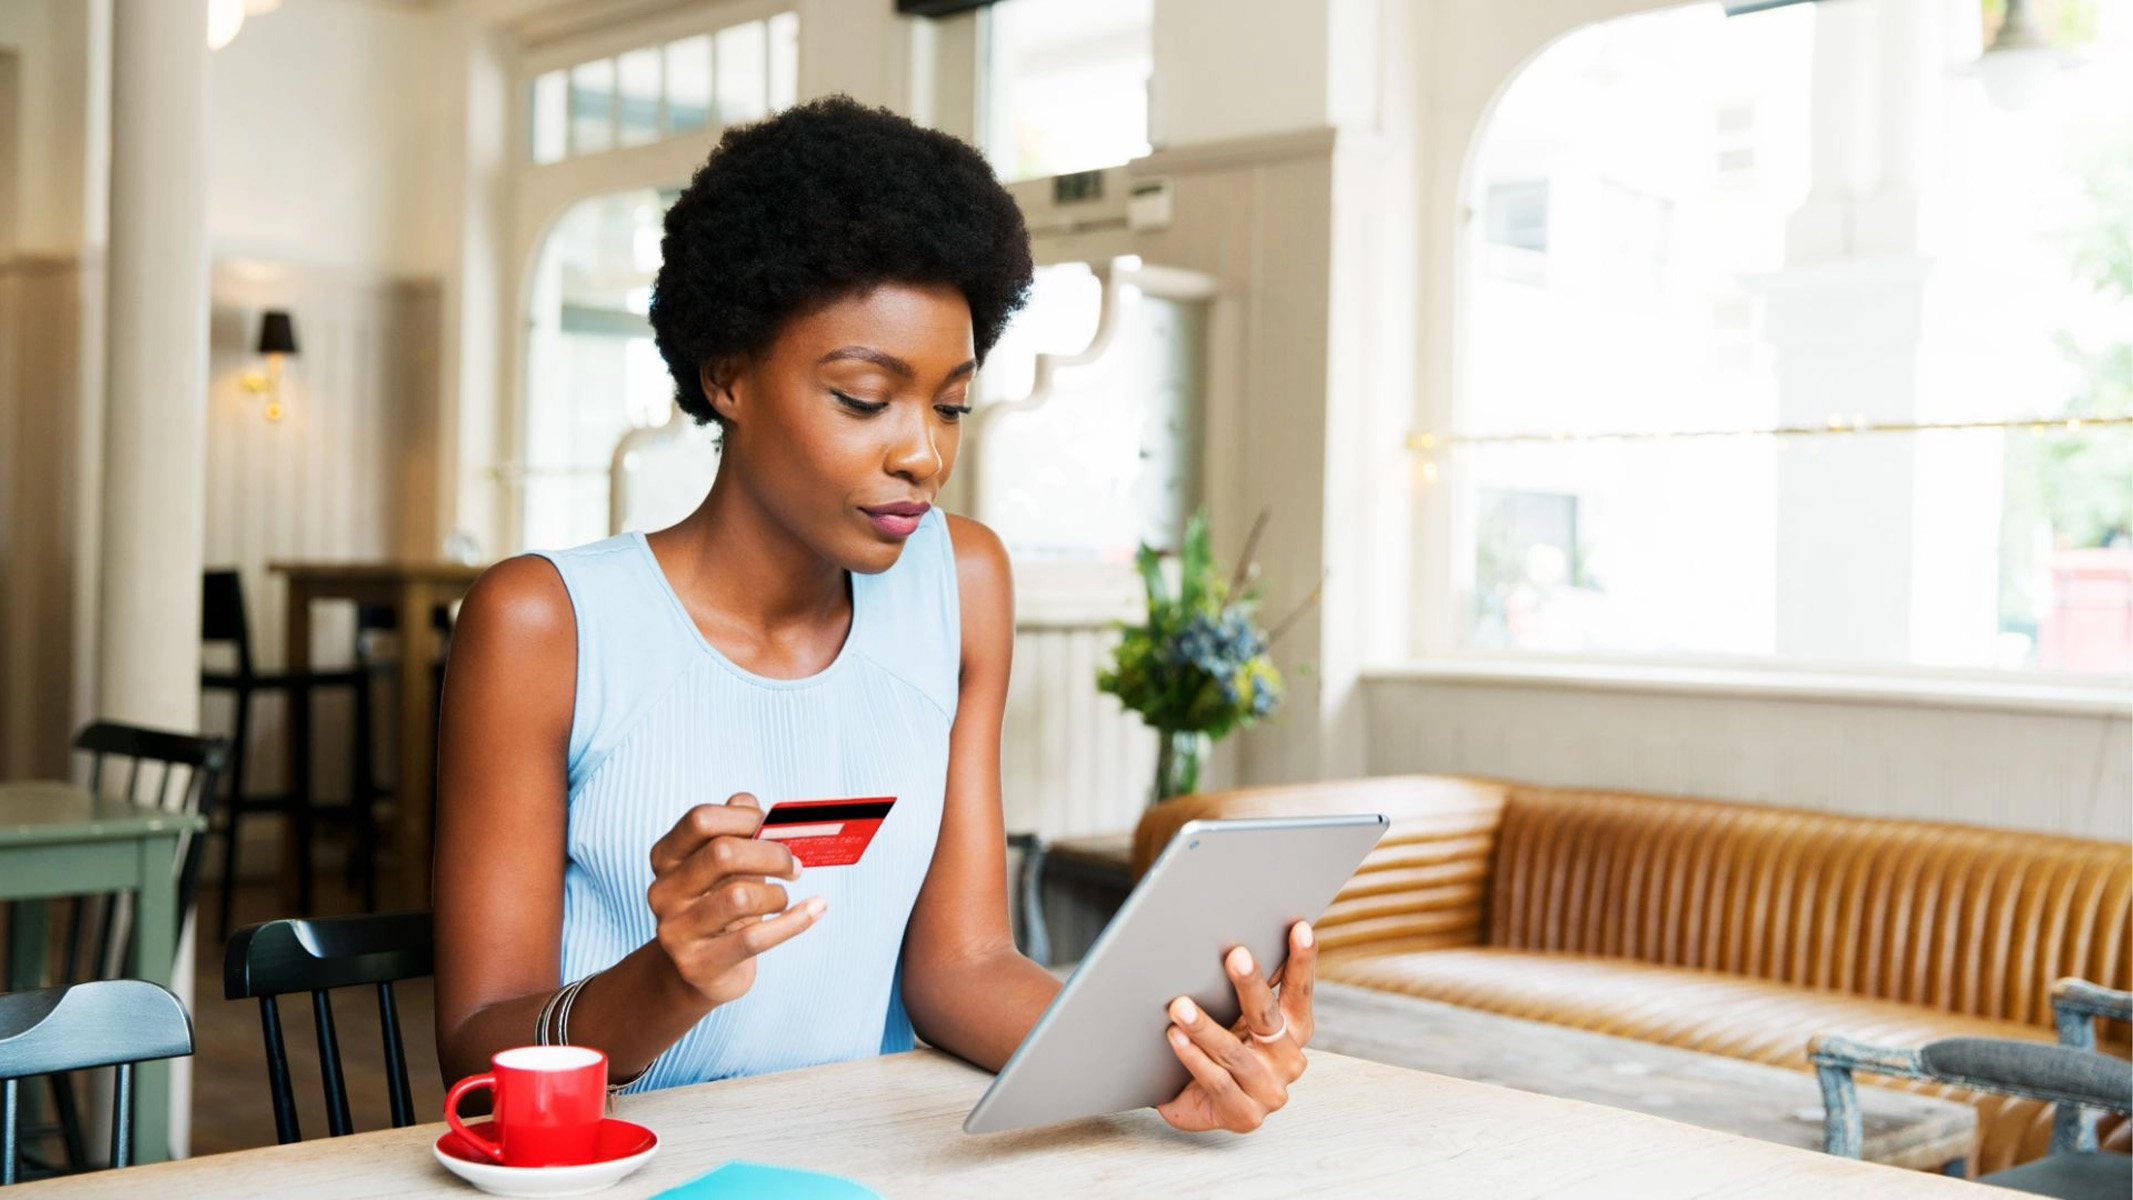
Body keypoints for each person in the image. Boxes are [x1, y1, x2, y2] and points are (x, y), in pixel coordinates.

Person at [432, 96, 1318, 1134]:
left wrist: (1178, 1062)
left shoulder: (964, 582)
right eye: (863, 398)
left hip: (872, 1161)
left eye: (950, 404)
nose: (923, 455)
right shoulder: (544, 622)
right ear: (727, 375)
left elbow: (964, 966)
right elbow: (476, 1052)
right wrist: (667, 983)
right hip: (624, 1168)